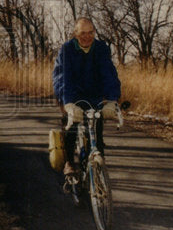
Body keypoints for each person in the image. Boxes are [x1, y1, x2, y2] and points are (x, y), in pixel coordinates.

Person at [52, 17, 121, 176]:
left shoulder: (101, 48)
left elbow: (109, 74)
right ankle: (69, 163)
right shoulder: (67, 49)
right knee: (72, 126)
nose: (87, 36)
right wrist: (68, 103)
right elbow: (62, 77)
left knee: (97, 127)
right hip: (70, 93)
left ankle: (99, 170)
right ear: (75, 33)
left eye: (91, 32)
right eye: (83, 33)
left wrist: (112, 100)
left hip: (93, 94)